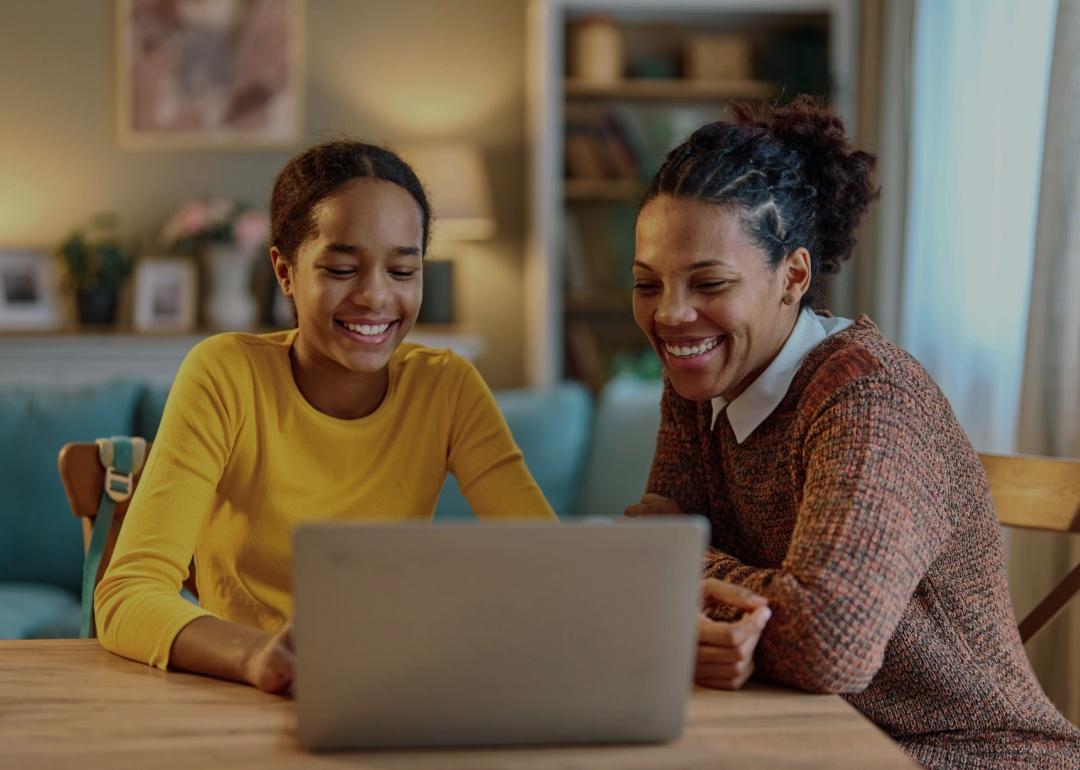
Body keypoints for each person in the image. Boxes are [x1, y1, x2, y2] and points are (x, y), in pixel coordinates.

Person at [624, 96, 1080, 769]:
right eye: (646, 283)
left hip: (965, 755)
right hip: (803, 733)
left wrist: (684, 565)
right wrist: (692, 572)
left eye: (709, 282)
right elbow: (648, 554)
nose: (670, 315)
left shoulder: (867, 397)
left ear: (795, 276)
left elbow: (825, 644)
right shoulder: (702, 373)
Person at [95, 141, 557, 694]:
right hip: (243, 696)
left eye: (403, 270)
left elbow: (547, 564)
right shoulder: (225, 374)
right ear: (284, 272)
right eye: (342, 268)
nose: (376, 297)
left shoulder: (446, 386)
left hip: (392, 687)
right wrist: (259, 657)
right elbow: (128, 594)